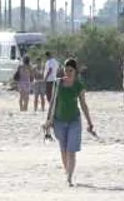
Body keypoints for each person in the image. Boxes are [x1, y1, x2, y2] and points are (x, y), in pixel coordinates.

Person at [44, 59, 95, 187]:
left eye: (70, 70)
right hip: (59, 121)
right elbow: (53, 102)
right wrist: (48, 119)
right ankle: (67, 171)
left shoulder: (79, 85)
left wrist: (89, 122)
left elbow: (83, 104)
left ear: (75, 71)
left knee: (71, 150)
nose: (68, 72)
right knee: (63, 149)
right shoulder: (58, 83)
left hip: (74, 121)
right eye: (66, 70)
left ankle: (69, 177)